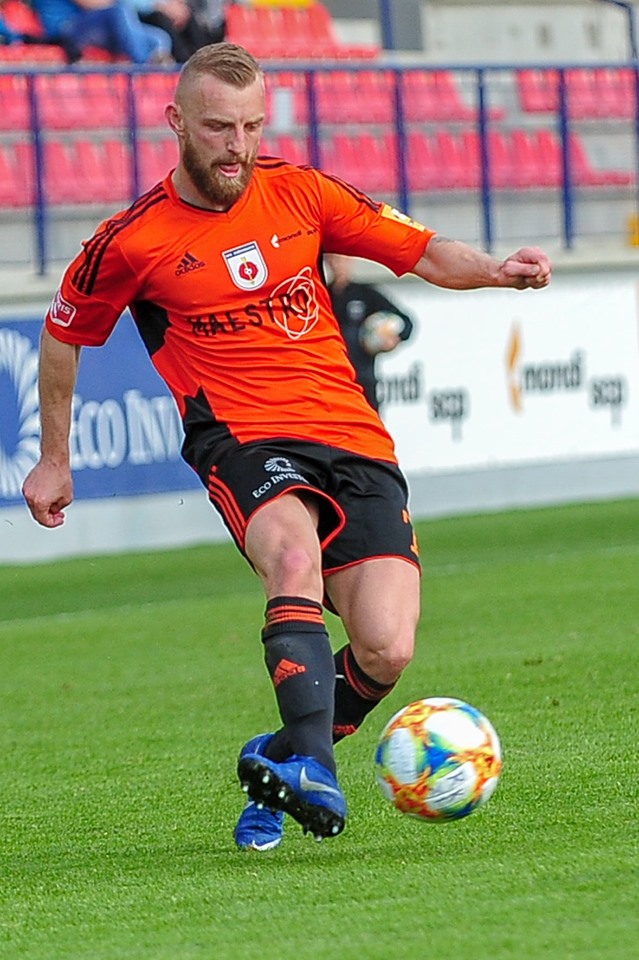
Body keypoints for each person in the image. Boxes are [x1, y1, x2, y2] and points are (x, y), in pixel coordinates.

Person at [22, 42, 552, 851]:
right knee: (293, 561)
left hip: (351, 435)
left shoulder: (302, 191)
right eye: (217, 128)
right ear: (176, 122)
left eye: (250, 126)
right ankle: (314, 768)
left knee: (385, 646)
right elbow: (64, 333)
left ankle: (278, 760)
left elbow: (418, 249)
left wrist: (495, 269)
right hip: (241, 437)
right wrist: (55, 457)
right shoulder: (132, 239)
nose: (236, 146)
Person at [326, 252, 414, 412]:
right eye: (334, 259)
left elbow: (406, 323)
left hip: (362, 378)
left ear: (351, 260)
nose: (338, 263)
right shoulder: (322, 296)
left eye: (342, 259)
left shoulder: (366, 294)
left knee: (367, 422)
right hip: (330, 379)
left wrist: (393, 338)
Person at [33, 0, 173, 64]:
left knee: (159, 38)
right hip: (65, 29)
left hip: (86, 25)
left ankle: (155, 69)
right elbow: (91, 4)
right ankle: (142, 66)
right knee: (119, 10)